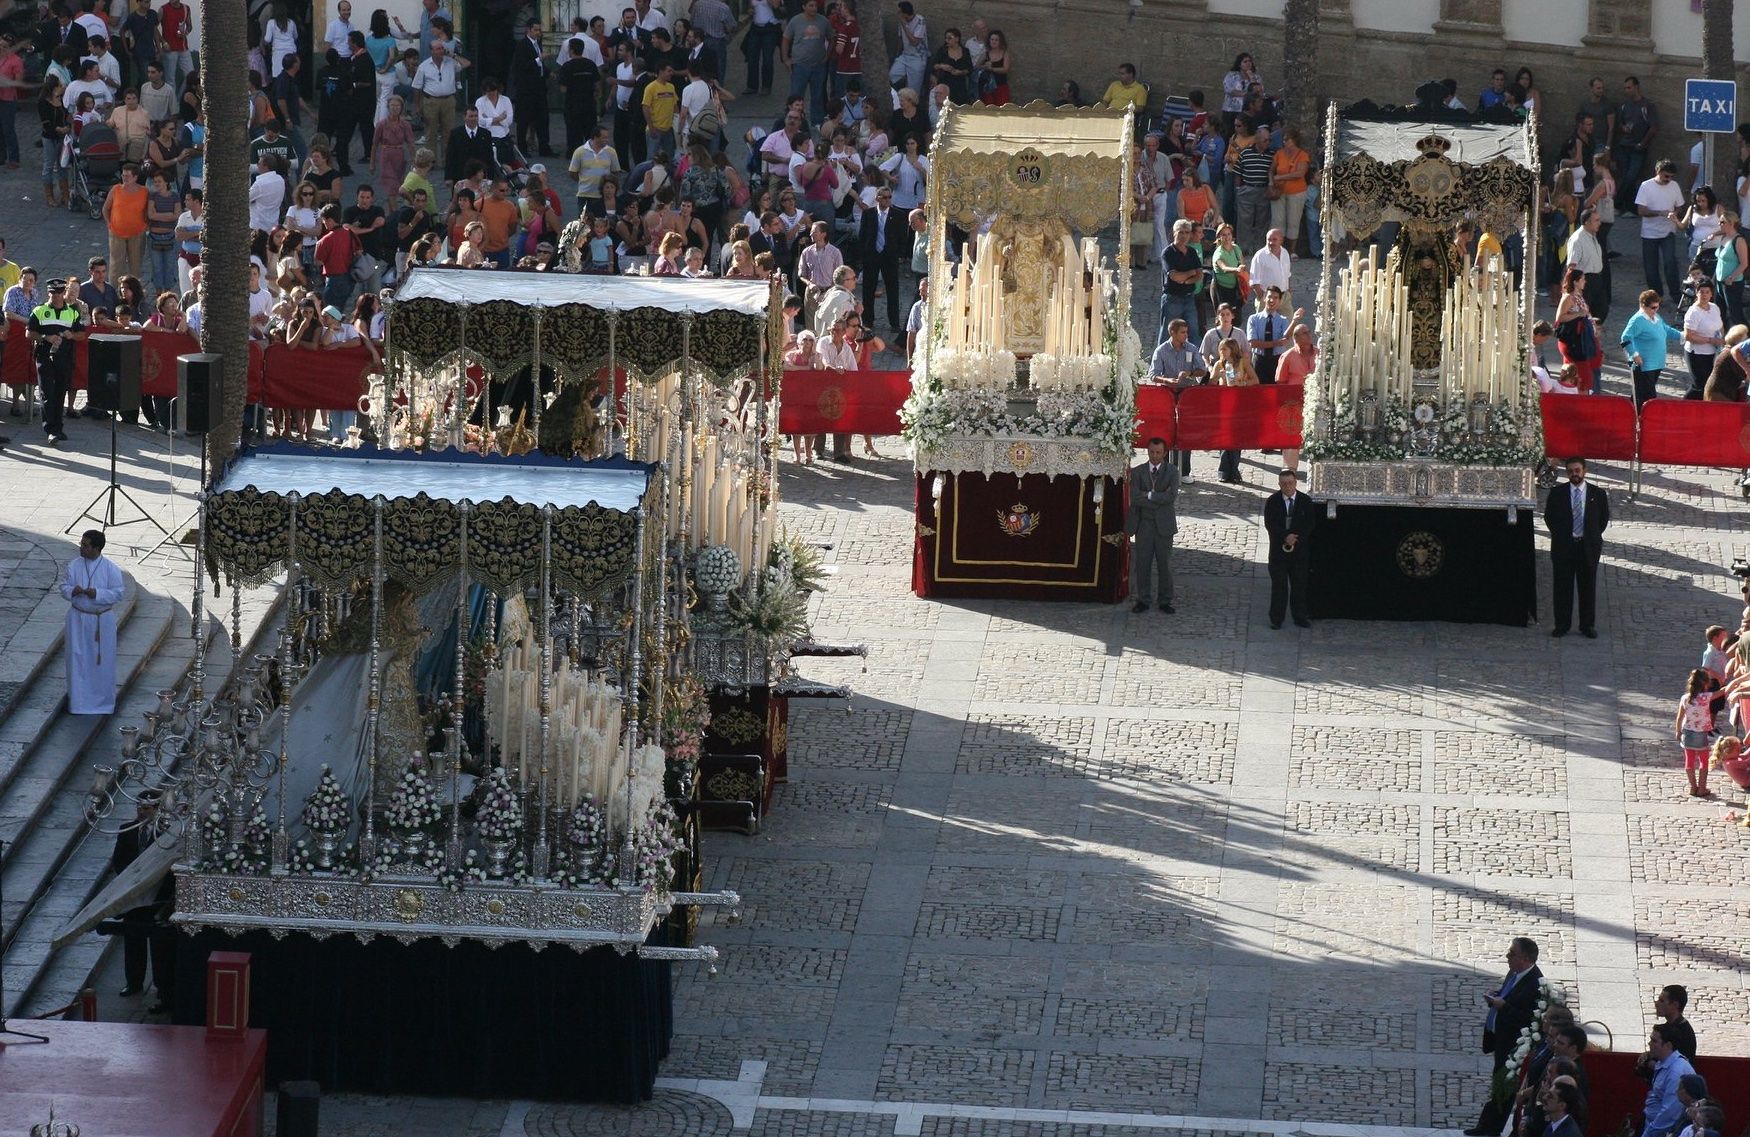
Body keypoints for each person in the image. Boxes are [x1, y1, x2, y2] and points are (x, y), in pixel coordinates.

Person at [62, 529, 125, 714]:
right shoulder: (74, 566)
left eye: (85, 545)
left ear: (96, 548)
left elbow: (118, 593)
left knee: (101, 661)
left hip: (101, 621)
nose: (81, 547)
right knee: (77, 658)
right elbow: (63, 586)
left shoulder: (110, 569)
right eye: (82, 544)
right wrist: (73, 590)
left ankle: (102, 703)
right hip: (78, 619)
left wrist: (96, 593)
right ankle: (78, 702)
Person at [1545, 457, 1607, 639]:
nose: (1574, 474)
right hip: (1564, 547)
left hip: (1588, 547)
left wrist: (1588, 536)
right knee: (1562, 587)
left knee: (1587, 587)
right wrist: (1564, 535)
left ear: (1584, 471)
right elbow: (1550, 518)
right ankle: (1562, 625)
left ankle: (1587, 625)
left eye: (1577, 470)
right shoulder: (1557, 493)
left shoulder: (1598, 494)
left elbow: (1602, 521)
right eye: (1571, 471)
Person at [1126, 437, 1179, 614]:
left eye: (1158, 453)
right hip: (1144, 525)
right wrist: (1158, 497)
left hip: (1164, 525)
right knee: (1142, 563)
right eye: (1151, 452)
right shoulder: (1138, 472)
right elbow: (1134, 498)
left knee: (1165, 564)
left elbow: (1171, 497)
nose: (1154, 456)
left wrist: (1148, 496)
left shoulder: (1172, 471)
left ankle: (1165, 599)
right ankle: (1143, 598)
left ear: (1164, 453)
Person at [28, 278, 83, 444]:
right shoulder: (39, 310)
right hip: (44, 356)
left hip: (64, 358)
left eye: (59, 293)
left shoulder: (72, 312)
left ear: (63, 293)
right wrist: (46, 337)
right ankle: (50, 430)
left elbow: (82, 334)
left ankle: (58, 428)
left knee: (60, 393)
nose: (56, 296)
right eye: (53, 293)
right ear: (48, 293)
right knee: (47, 393)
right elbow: (29, 333)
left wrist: (71, 335)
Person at [1148, 317, 1204, 478]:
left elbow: (1202, 369)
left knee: (1186, 432)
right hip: (1166, 396)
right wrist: (1167, 380)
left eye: (1186, 332)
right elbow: (1153, 374)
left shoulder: (1191, 348)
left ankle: (1184, 471)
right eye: (1182, 332)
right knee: (1165, 431)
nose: (1186, 335)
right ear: (1172, 333)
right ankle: (1163, 470)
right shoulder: (1161, 350)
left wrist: (1190, 373)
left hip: (1186, 396)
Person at [1263, 469, 1315, 630]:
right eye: (1284, 484)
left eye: (1290, 483)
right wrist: (1285, 537)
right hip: (1278, 553)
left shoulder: (1305, 501)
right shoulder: (1272, 501)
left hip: (1299, 553)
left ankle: (1300, 616)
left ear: (1295, 483)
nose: (1287, 486)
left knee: (1299, 586)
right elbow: (1270, 524)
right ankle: (1276, 619)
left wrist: (1295, 537)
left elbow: (1309, 523)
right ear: (1279, 484)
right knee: (1279, 588)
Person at [1620, 289, 1684, 409]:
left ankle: (1629, 415)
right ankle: (1644, 421)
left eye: (1657, 306)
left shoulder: (1655, 316)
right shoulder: (1637, 320)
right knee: (1648, 397)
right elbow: (1625, 338)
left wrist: (1682, 336)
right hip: (1644, 365)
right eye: (1653, 307)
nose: (1656, 310)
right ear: (1643, 306)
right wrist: (1634, 355)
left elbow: (1665, 329)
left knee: (1639, 394)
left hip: (1655, 364)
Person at [1637, 158, 1685, 301]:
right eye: (1666, 176)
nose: (1668, 179)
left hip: (1668, 231)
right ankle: (1657, 295)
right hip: (1649, 233)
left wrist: (1675, 214)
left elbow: (1680, 205)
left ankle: (1675, 293)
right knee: (1651, 268)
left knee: (1670, 262)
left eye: (1670, 177)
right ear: (1658, 172)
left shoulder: (1674, 185)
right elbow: (1641, 210)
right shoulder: (1646, 186)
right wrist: (1660, 213)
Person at [860, 187, 906, 333]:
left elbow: (902, 237)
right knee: (868, 289)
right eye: (884, 197)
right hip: (872, 256)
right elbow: (863, 235)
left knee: (893, 290)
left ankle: (894, 323)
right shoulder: (868, 214)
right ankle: (868, 320)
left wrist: (899, 254)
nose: (887, 200)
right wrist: (864, 254)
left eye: (889, 197)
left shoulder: (898, 215)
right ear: (877, 198)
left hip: (889, 256)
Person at [1642, 1024, 1697, 1137]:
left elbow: (1670, 1114)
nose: (1649, 1044)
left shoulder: (1676, 1072)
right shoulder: (1664, 1063)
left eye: (1654, 1041)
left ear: (1667, 1045)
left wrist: (1648, 1134)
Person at [1675, 669, 1718, 797]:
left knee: (1689, 760)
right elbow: (1723, 691)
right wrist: (1736, 683)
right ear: (1705, 684)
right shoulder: (1705, 697)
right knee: (1704, 761)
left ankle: (1693, 787)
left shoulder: (1685, 698)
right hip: (1700, 734)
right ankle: (1702, 788)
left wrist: (1678, 731)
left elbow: (1679, 717)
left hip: (1687, 733)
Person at [1681, 279, 1726, 399]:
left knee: (1709, 384)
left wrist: (1723, 340)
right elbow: (1688, 336)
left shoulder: (1714, 307)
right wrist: (1711, 340)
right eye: (1701, 292)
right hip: (1697, 353)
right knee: (1699, 385)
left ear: (1711, 294)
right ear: (1697, 293)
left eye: (1707, 292)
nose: (1704, 295)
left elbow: (1720, 327)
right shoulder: (1693, 312)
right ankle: (1683, 406)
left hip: (1713, 352)